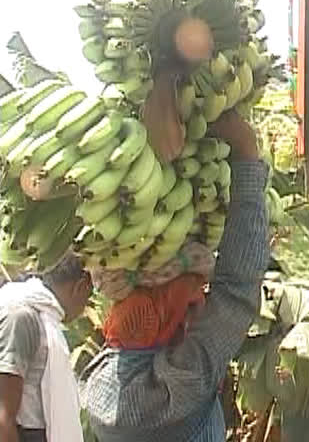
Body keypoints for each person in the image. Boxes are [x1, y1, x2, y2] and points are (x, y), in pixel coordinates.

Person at [79, 110, 270, 441]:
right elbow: (237, 291)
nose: (200, 304)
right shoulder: (175, 388)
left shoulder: (97, 381)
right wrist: (246, 153)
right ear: (162, 314)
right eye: (191, 297)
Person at [0, 254, 93, 442]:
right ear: (80, 286)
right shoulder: (22, 317)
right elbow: (3, 418)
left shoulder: (44, 316)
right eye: (89, 296)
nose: (85, 308)